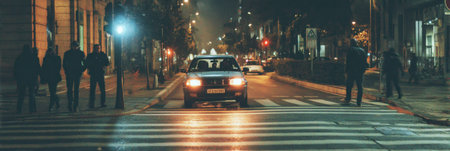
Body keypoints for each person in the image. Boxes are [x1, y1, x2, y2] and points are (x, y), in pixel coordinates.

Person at [14, 45, 41, 113]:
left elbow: (16, 69)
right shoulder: (34, 57)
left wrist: (17, 79)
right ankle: (32, 109)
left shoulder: (19, 58)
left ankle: (19, 109)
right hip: (32, 78)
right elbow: (38, 68)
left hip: (22, 78)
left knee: (21, 94)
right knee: (31, 94)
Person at [343, 39, 368, 107]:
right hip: (360, 71)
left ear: (351, 43)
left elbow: (348, 61)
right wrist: (363, 70)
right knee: (359, 86)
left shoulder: (350, 50)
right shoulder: (362, 50)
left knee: (349, 86)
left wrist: (346, 71)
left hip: (351, 71)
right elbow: (365, 62)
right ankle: (358, 102)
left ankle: (348, 99)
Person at [63, 41, 86, 112]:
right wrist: (67, 71)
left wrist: (81, 70)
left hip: (76, 73)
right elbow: (64, 63)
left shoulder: (80, 53)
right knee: (70, 90)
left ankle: (75, 104)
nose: (75, 47)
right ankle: (70, 104)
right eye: (74, 46)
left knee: (76, 90)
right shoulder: (68, 53)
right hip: (71, 73)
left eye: (76, 46)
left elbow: (85, 63)